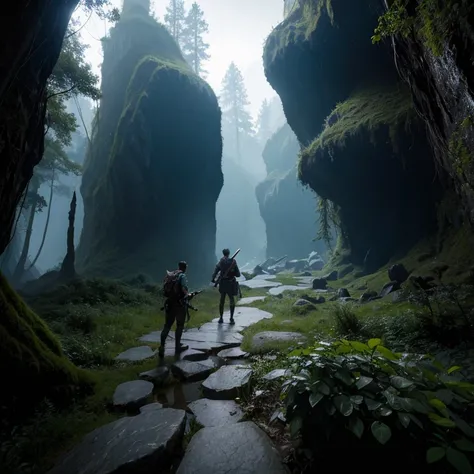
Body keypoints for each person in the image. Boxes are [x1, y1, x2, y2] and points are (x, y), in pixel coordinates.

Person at [159, 261, 190, 357]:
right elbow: (184, 289)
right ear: (185, 268)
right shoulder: (182, 276)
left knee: (167, 325)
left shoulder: (171, 274)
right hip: (179, 304)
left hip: (169, 303)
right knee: (180, 325)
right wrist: (188, 295)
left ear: (178, 266)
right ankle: (177, 347)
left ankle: (162, 346)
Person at [211, 248, 241, 325]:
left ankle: (221, 318)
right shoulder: (233, 262)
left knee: (222, 300)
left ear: (223, 253)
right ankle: (231, 318)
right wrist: (232, 272)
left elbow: (215, 273)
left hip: (223, 283)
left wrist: (213, 279)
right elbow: (238, 274)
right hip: (231, 283)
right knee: (231, 300)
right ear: (229, 253)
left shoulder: (220, 261)